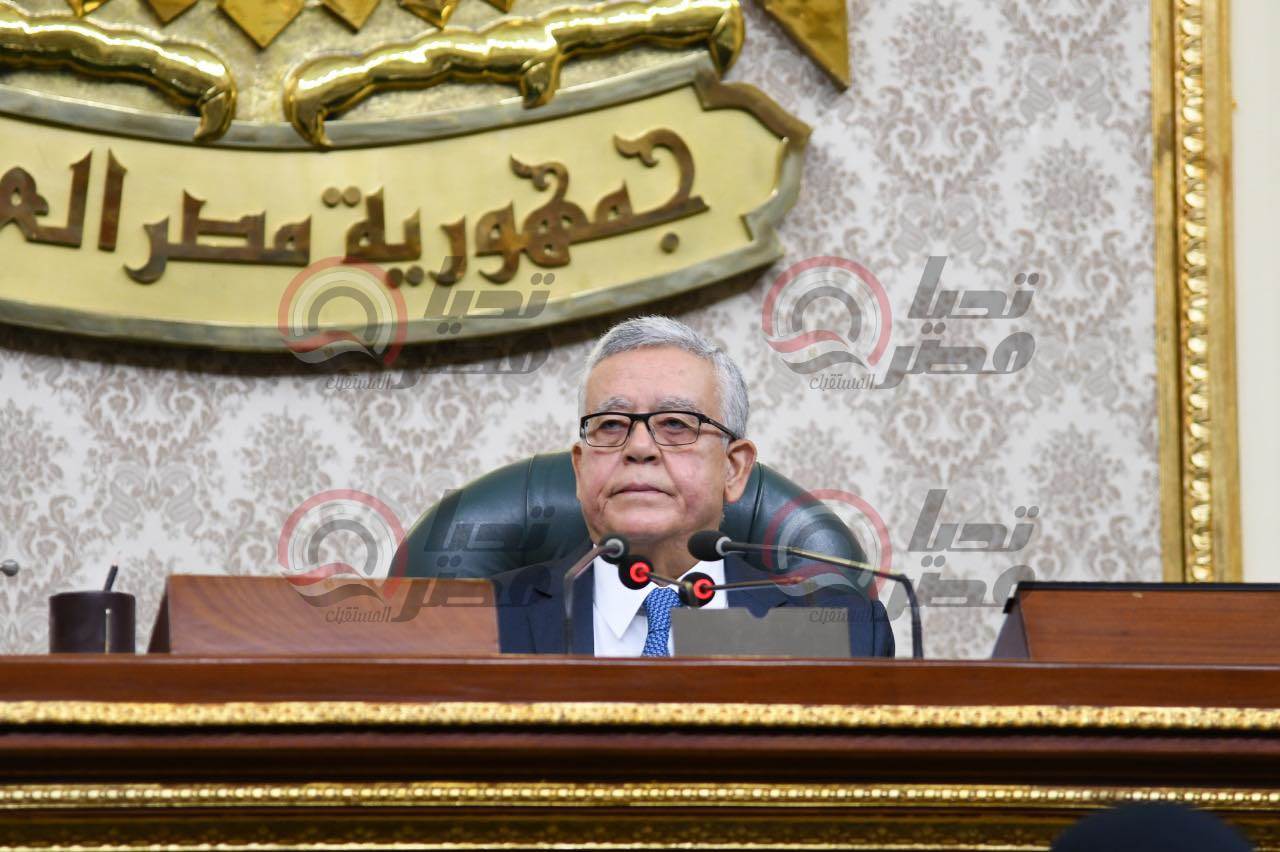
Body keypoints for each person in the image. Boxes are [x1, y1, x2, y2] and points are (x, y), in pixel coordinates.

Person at [491, 315, 893, 657]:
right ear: (580, 469)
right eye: (611, 425)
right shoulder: (485, 620)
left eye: (676, 424)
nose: (639, 448)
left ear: (733, 468)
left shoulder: (840, 635)